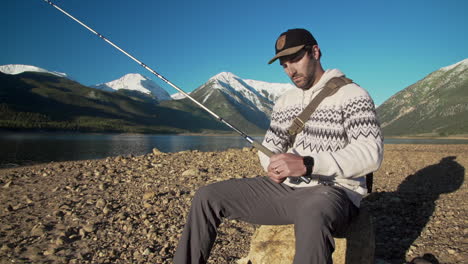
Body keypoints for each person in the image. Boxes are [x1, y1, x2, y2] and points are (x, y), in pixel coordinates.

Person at [174, 28, 383, 264]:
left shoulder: (353, 95)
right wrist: (273, 164)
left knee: (312, 209)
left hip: (334, 193)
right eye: (284, 64)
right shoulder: (285, 102)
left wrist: (307, 164)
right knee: (207, 196)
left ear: (315, 52)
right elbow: (271, 146)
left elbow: (370, 153)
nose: (290, 70)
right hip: (286, 191)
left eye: (295, 59)